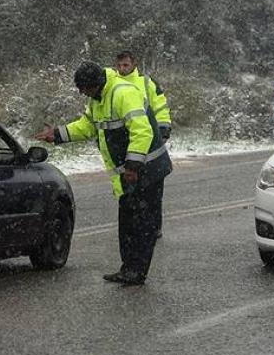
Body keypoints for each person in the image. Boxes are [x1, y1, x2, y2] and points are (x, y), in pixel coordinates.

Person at [34, 61, 172, 285]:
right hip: (130, 171)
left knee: (142, 224)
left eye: (85, 89)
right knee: (128, 222)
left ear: (96, 84)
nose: (83, 93)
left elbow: (142, 131)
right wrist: (58, 134)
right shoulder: (98, 99)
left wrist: (133, 166)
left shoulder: (123, 93)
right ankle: (129, 269)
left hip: (148, 168)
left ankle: (137, 272)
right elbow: (87, 126)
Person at [114, 50, 172, 238]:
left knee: (153, 192)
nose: (122, 69)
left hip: (151, 145)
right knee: (132, 192)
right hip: (128, 146)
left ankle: (154, 228)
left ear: (134, 64)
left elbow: (160, 107)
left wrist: (163, 128)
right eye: (119, 65)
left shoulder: (146, 83)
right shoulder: (114, 85)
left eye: (126, 65)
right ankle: (135, 229)